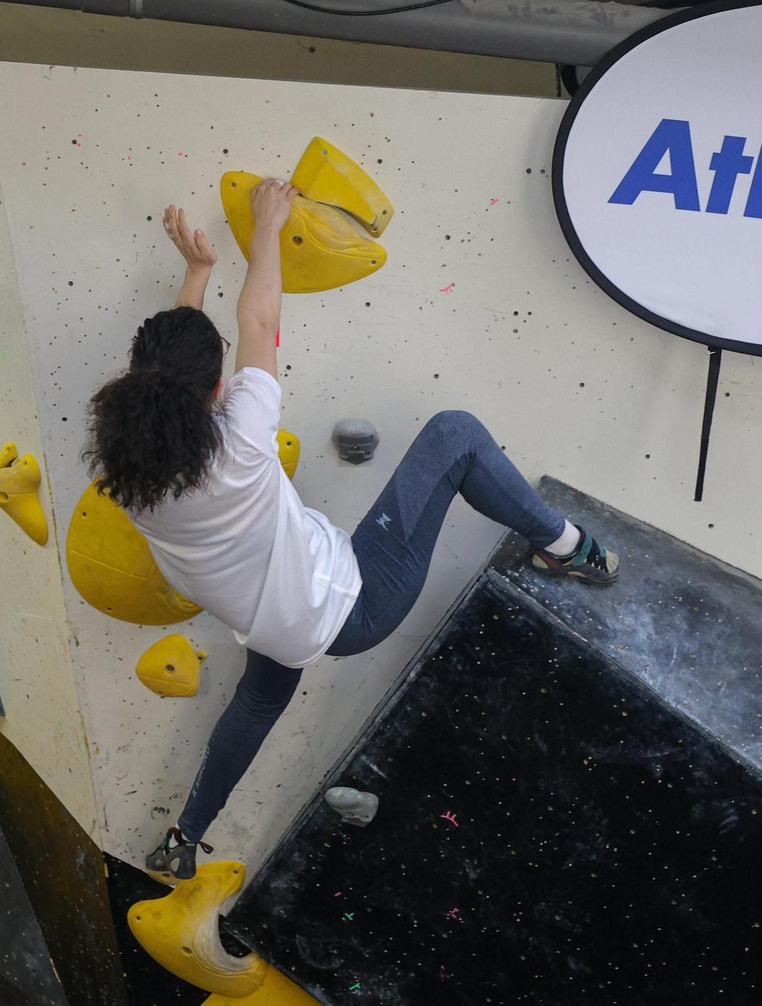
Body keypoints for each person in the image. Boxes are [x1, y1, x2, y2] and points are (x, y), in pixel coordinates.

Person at [84, 180, 619, 881]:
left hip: (271, 618)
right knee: (454, 435)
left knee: (259, 698)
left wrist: (198, 273)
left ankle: (185, 836)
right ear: (213, 393)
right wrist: (268, 227)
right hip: (355, 606)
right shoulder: (240, 441)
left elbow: (168, 374)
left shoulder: (134, 475)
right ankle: (569, 548)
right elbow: (259, 321)